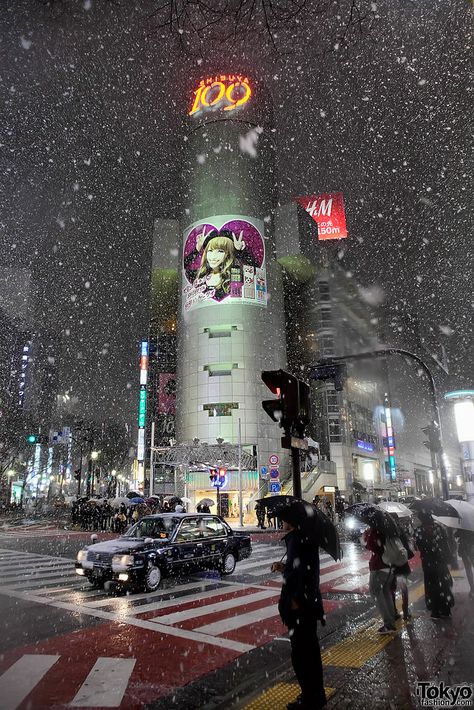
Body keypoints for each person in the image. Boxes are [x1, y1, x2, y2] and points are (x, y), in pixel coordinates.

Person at [271, 508, 326, 709]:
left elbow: (297, 573)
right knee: (310, 651)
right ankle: (316, 696)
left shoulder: (295, 539)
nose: (281, 521)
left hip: (300, 605)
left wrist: (294, 598)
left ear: (291, 521)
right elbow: (301, 568)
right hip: (310, 602)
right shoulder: (306, 539)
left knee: (301, 655)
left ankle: (309, 698)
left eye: (284, 519)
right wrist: (284, 567)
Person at [415, 513, 454, 619]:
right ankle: (446, 609)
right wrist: (449, 559)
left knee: (432, 586)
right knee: (444, 584)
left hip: (428, 563)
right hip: (440, 561)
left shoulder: (419, 530)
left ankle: (435, 610)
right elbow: (445, 544)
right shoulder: (439, 528)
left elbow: (418, 546)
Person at [363, 525, 397, 633]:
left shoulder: (376, 529)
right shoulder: (389, 528)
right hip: (390, 565)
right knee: (386, 592)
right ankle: (391, 620)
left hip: (379, 566)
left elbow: (372, 546)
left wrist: (368, 536)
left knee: (376, 592)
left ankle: (388, 624)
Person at [455, 528, 474, 599]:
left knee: (468, 569)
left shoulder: (461, 525)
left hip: (467, 550)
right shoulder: (470, 524)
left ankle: (472, 588)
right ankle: (472, 588)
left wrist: (459, 535)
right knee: (468, 569)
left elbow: (456, 535)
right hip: (469, 549)